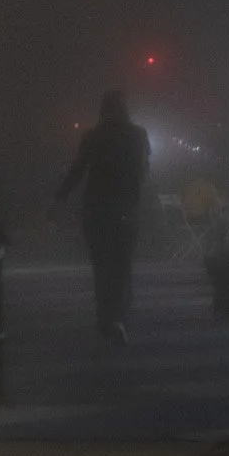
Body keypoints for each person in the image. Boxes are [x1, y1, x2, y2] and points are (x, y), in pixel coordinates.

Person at [52, 90, 151, 342]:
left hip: (96, 208)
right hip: (125, 207)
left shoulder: (93, 136)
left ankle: (104, 317)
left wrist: (60, 197)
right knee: (121, 264)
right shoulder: (138, 135)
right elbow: (143, 171)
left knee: (101, 264)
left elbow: (78, 170)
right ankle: (117, 317)